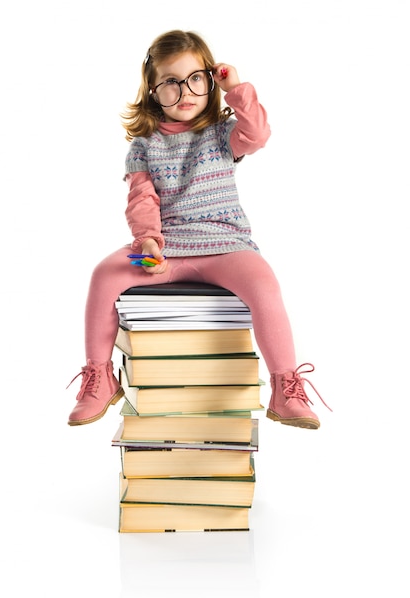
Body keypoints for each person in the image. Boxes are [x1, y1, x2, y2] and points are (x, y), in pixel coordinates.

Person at [67, 29, 331, 429]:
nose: (185, 92)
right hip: (166, 245)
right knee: (104, 275)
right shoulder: (143, 145)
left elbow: (258, 134)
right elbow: (142, 201)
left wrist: (237, 88)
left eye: (195, 79)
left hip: (227, 242)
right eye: (170, 84)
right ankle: (100, 377)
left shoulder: (223, 134)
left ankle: (284, 385)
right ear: (153, 91)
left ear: (209, 81)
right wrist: (149, 244)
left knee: (264, 286)